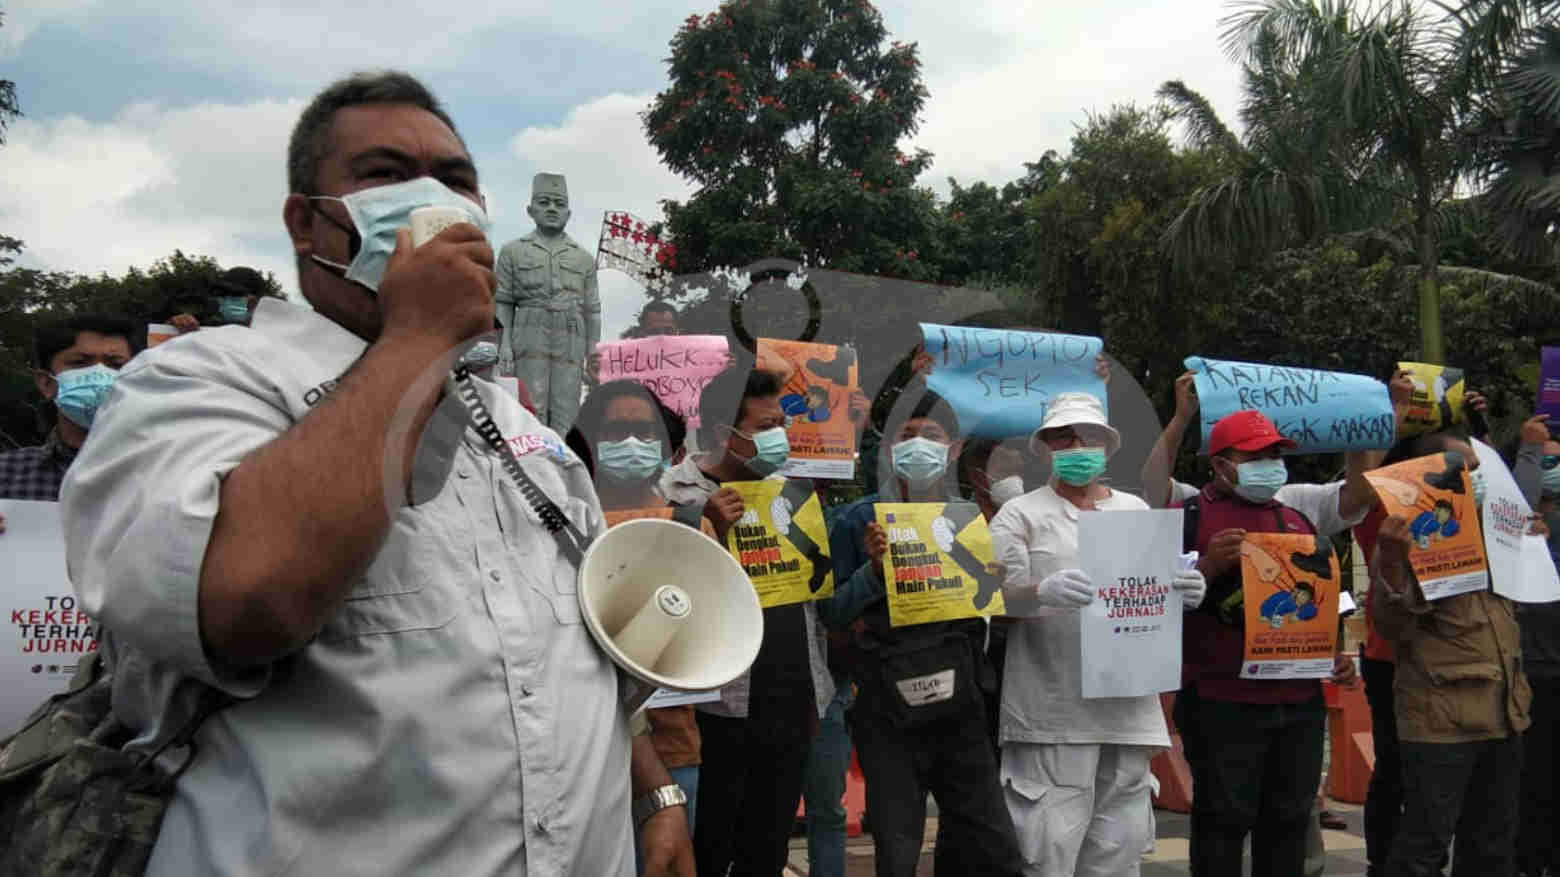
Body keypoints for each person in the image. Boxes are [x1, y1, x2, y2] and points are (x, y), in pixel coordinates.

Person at [59, 71, 691, 876]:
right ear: (306, 223)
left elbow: (576, 654)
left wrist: (655, 792)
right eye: (387, 174)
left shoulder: (527, 433)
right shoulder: (199, 385)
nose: (433, 195)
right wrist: (416, 337)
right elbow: (245, 600)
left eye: (456, 179)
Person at [989, 392, 1206, 877]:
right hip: (1052, 711)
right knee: (1047, 850)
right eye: (1063, 438)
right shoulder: (1020, 514)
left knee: (1120, 851)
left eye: (1088, 437)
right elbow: (990, 601)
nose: (1077, 446)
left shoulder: (1135, 510)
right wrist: (1039, 590)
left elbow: (1150, 590)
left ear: (1107, 447)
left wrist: (1183, 590)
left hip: (1129, 708)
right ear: (1044, 448)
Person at [820, 387, 1024, 877]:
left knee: (994, 846)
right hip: (886, 711)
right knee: (897, 850)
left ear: (952, 449)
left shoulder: (969, 519)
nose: (917, 446)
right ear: (890, 449)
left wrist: (991, 586)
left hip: (962, 709)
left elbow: (987, 615)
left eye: (930, 436)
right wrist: (872, 571)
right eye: (905, 436)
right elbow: (831, 615)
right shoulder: (856, 521)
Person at [660, 366, 836, 877]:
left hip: (791, 693)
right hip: (716, 705)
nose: (778, 437)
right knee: (710, 840)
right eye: (764, 426)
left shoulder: (792, 493)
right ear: (724, 434)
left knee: (769, 842)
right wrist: (701, 523)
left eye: (781, 423)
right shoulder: (675, 494)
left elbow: (817, 584)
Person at [1174, 409, 1359, 877]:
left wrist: (1333, 655)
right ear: (1220, 464)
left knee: (1290, 824)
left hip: (1299, 703)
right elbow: (1153, 599)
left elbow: (1320, 601)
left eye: (1275, 453)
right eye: (1255, 454)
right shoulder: (1189, 515)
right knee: (1221, 823)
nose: (1270, 463)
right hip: (1220, 701)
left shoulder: (1297, 519)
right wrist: (1207, 567)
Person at [1372, 433, 1531, 877]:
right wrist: (1390, 564)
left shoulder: (1493, 532)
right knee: (1424, 849)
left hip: (1505, 715)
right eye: (1464, 468)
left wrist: (1532, 542)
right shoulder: (1403, 537)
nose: (1476, 478)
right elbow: (1392, 628)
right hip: (1441, 724)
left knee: (1493, 848)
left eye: (1479, 468)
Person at [565, 379, 707, 874]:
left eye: (644, 432)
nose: (631, 443)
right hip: (579, 750)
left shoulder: (692, 526)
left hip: (672, 747)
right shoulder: (558, 524)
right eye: (616, 431)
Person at [495, 172, 600, 432]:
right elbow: (504, 301)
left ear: (569, 213)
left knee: (567, 406)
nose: (552, 209)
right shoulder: (512, 251)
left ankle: (566, 466)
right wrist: (504, 345)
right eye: (544, 202)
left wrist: (593, 352)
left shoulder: (584, 258)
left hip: (571, 331)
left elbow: (593, 309)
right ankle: (534, 464)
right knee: (532, 401)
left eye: (559, 204)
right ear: (530, 210)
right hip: (529, 326)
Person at [0, 313, 137, 503]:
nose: (99, 374)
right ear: (47, 383)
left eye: (116, 365)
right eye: (80, 363)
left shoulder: (168, 472)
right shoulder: (6, 473)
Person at [1509, 414, 1560, 877]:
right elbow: (1516, 511)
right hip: (1533, 670)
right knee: (1533, 780)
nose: (1552, 467)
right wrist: (1529, 451)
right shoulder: (1523, 525)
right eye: (1547, 462)